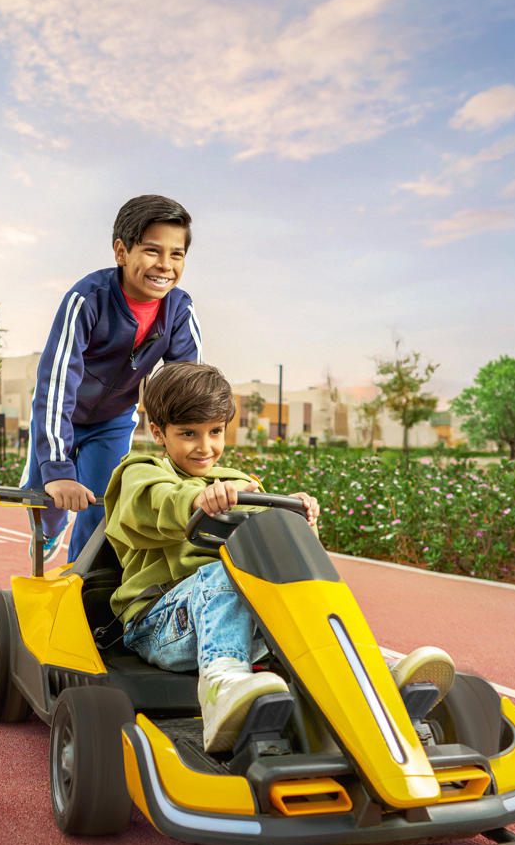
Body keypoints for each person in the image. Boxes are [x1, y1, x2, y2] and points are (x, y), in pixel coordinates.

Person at [103, 362, 456, 753]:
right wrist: (195, 501)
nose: (205, 447)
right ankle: (221, 685)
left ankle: (369, 671)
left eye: (215, 432)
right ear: (158, 433)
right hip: (160, 624)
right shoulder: (140, 472)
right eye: (188, 434)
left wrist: (299, 518)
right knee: (228, 574)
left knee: (297, 584)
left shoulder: (240, 483)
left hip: (243, 618)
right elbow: (153, 504)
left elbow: (275, 547)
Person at [24, 194, 203, 564]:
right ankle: (51, 528)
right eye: (152, 251)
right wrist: (57, 471)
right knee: (49, 496)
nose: (165, 265)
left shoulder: (179, 310)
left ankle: (79, 582)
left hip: (112, 421)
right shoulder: (87, 300)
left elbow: (188, 393)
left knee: (102, 508)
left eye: (176, 254)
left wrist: (192, 463)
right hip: (63, 412)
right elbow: (56, 384)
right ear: (121, 252)